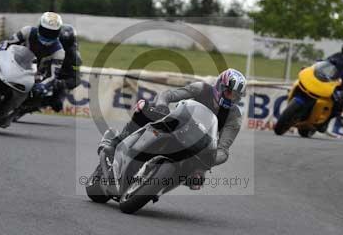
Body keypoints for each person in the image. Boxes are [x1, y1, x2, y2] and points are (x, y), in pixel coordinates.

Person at [98, 68, 246, 190]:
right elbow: (168, 95)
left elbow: (224, 148)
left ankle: (157, 185)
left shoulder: (234, 117)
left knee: (196, 180)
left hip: (199, 145)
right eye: (229, 93)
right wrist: (162, 105)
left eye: (236, 97)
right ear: (220, 86)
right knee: (145, 108)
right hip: (178, 123)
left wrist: (212, 158)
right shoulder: (201, 89)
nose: (231, 98)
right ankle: (115, 142)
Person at [0, 12, 81, 127]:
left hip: (47, 74)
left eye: (52, 34)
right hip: (26, 60)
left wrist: (59, 84)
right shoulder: (28, 31)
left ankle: (14, 111)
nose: (48, 36)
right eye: (46, 32)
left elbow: (74, 78)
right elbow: (8, 43)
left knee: (54, 101)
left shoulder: (66, 54)